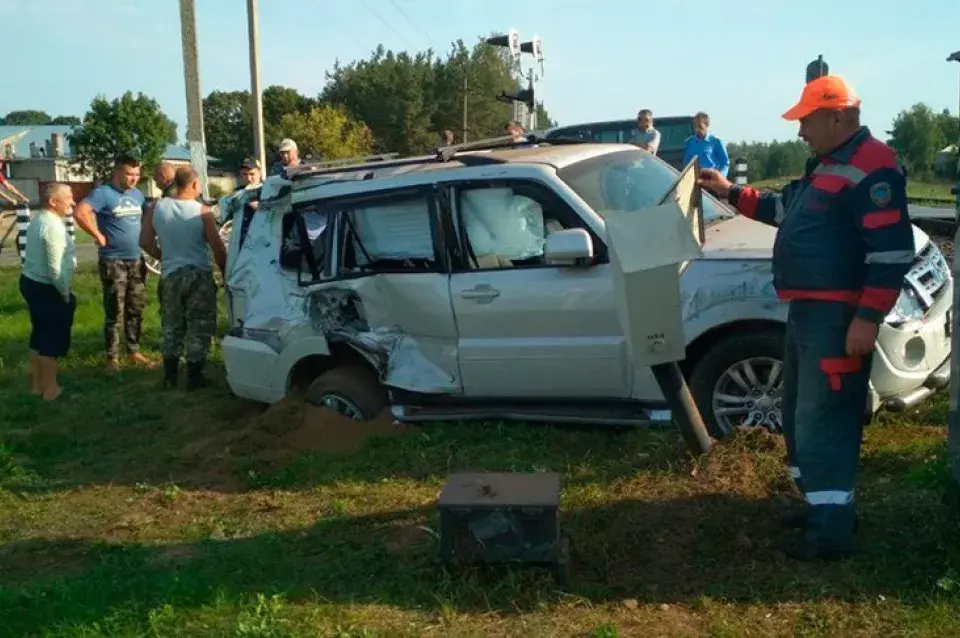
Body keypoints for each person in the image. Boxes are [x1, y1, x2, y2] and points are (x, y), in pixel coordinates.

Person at [698, 75, 915, 561]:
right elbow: (783, 207)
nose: (800, 133)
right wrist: (730, 190)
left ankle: (831, 533)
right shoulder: (829, 164)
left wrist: (867, 319)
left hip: (838, 318)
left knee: (825, 419)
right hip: (809, 313)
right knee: (800, 414)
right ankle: (820, 506)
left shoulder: (873, 167)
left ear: (837, 116)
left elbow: (890, 253)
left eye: (806, 121)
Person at [141, 167, 226, 390]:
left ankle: (170, 376)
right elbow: (217, 247)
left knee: (171, 324)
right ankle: (195, 376)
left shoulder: (155, 207)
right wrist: (226, 272)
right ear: (195, 184)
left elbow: (145, 241)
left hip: (170, 275)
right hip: (198, 274)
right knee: (199, 325)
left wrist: (165, 256)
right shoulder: (203, 212)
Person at [73, 154, 151, 371]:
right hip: (113, 260)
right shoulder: (103, 194)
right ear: (117, 172)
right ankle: (112, 357)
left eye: (137, 174)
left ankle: (134, 350)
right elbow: (81, 212)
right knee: (115, 309)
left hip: (136, 259)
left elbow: (147, 216)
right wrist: (97, 234)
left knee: (136, 307)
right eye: (129, 174)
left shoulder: (137, 195)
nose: (134, 178)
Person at [19, 183, 77, 400]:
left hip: (30, 281)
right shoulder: (52, 226)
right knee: (52, 340)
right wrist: (64, 292)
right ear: (53, 202)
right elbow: (55, 267)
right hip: (48, 287)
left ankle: (37, 386)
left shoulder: (38, 220)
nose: (72, 202)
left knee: (39, 334)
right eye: (68, 198)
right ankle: (51, 390)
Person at [684, 112, 730, 176]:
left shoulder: (716, 142)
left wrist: (721, 177)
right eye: (695, 126)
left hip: (712, 179)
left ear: (707, 125)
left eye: (700, 126)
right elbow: (686, 164)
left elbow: (725, 163)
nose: (697, 129)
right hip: (695, 179)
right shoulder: (689, 142)